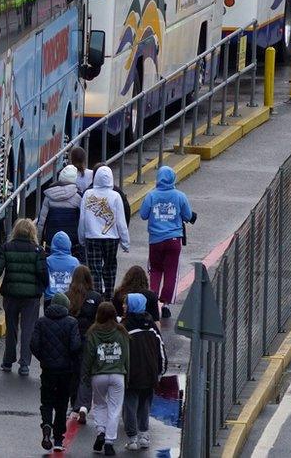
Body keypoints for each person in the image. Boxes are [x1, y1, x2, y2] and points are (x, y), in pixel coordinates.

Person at [0, 218, 49, 376]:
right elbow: (43, 274)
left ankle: (8, 361)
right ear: (32, 232)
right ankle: (24, 364)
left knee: (11, 327)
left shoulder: (7, 247)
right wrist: (42, 288)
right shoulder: (38, 250)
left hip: (11, 294)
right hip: (31, 297)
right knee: (28, 329)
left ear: (16, 231)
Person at [140, 165, 195, 319]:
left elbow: (143, 215)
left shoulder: (151, 196)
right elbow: (188, 215)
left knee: (155, 271)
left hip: (155, 240)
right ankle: (166, 304)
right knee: (171, 272)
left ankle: (152, 302)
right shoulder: (180, 196)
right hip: (173, 239)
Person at [31, 293, 82, 452]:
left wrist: (44, 359)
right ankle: (58, 439)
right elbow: (75, 346)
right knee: (61, 404)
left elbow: (34, 345)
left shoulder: (41, 322)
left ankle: (46, 427)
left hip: (48, 370)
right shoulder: (72, 322)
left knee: (46, 402)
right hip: (65, 371)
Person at [82, 301, 130, 456]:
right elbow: (126, 356)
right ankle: (110, 441)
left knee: (100, 404)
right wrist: (126, 373)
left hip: (99, 374)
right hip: (117, 374)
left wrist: (86, 374)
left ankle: (100, 431)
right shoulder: (121, 331)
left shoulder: (93, 332)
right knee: (115, 408)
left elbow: (89, 356)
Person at [122, 293, 167, 451]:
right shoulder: (151, 326)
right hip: (150, 373)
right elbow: (161, 349)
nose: (123, 306)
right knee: (145, 405)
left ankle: (132, 438)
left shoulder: (125, 326)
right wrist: (160, 371)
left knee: (129, 405)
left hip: (131, 374)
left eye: (126, 304)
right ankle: (144, 435)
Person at [79, 166, 130, 300]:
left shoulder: (88, 194)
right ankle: (108, 296)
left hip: (92, 236)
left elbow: (82, 218)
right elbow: (120, 221)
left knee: (94, 270)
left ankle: (96, 299)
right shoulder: (116, 196)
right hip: (111, 237)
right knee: (110, 267)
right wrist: (125, 242)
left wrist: (81, 237)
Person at [66, 265, 102, 423]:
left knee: (73, 373)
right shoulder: (95, 296)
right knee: (86, 374)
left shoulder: (67, 296)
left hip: (71, 339)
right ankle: (83, 405)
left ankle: (73, 405)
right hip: (89, 339)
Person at [37, 165, 84, 262]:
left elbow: (41, 222)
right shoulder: (78, 197)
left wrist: (38, 240)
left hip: (52, 240)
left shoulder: (49, 196)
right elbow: (83, 221)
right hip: (73, 242)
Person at [44, 231, 80, 311]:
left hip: (50, 298)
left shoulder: (47, 261)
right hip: (68, 298)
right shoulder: (75, 262)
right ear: (69, 244)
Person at [93, 162, 132, 228]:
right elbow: (125, 212)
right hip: (112, 233)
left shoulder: (87, 193)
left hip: (92, 234)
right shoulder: (117, 194)